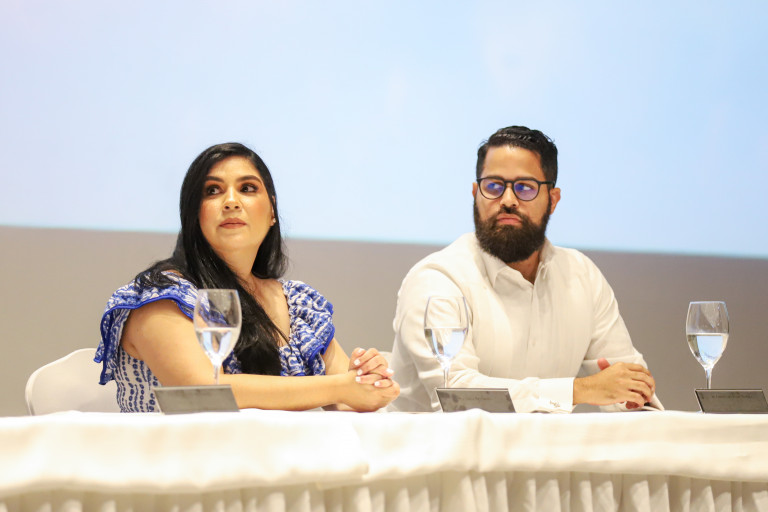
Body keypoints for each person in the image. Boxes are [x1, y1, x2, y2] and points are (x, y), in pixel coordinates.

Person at [96, 142, 399, 412]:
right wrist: (341, 387)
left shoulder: (297, 303)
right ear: (193, 216)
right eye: (212, 191)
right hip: (183, 457)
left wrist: (368, 380)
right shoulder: (161, 296)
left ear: (272, 212)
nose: (231, 202)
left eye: (248, 188)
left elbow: (345, 398)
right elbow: (203, 391)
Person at [389, 126, 661, 413]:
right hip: (443, 443)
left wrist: (631, 396)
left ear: (553, 200)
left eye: (525, 188)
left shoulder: (582, 276)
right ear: (475, 194)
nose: (508, 200)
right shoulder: (437, 280)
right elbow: (456, 395)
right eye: (493, 186)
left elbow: (628, 386)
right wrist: (579, 390)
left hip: (545, 444)